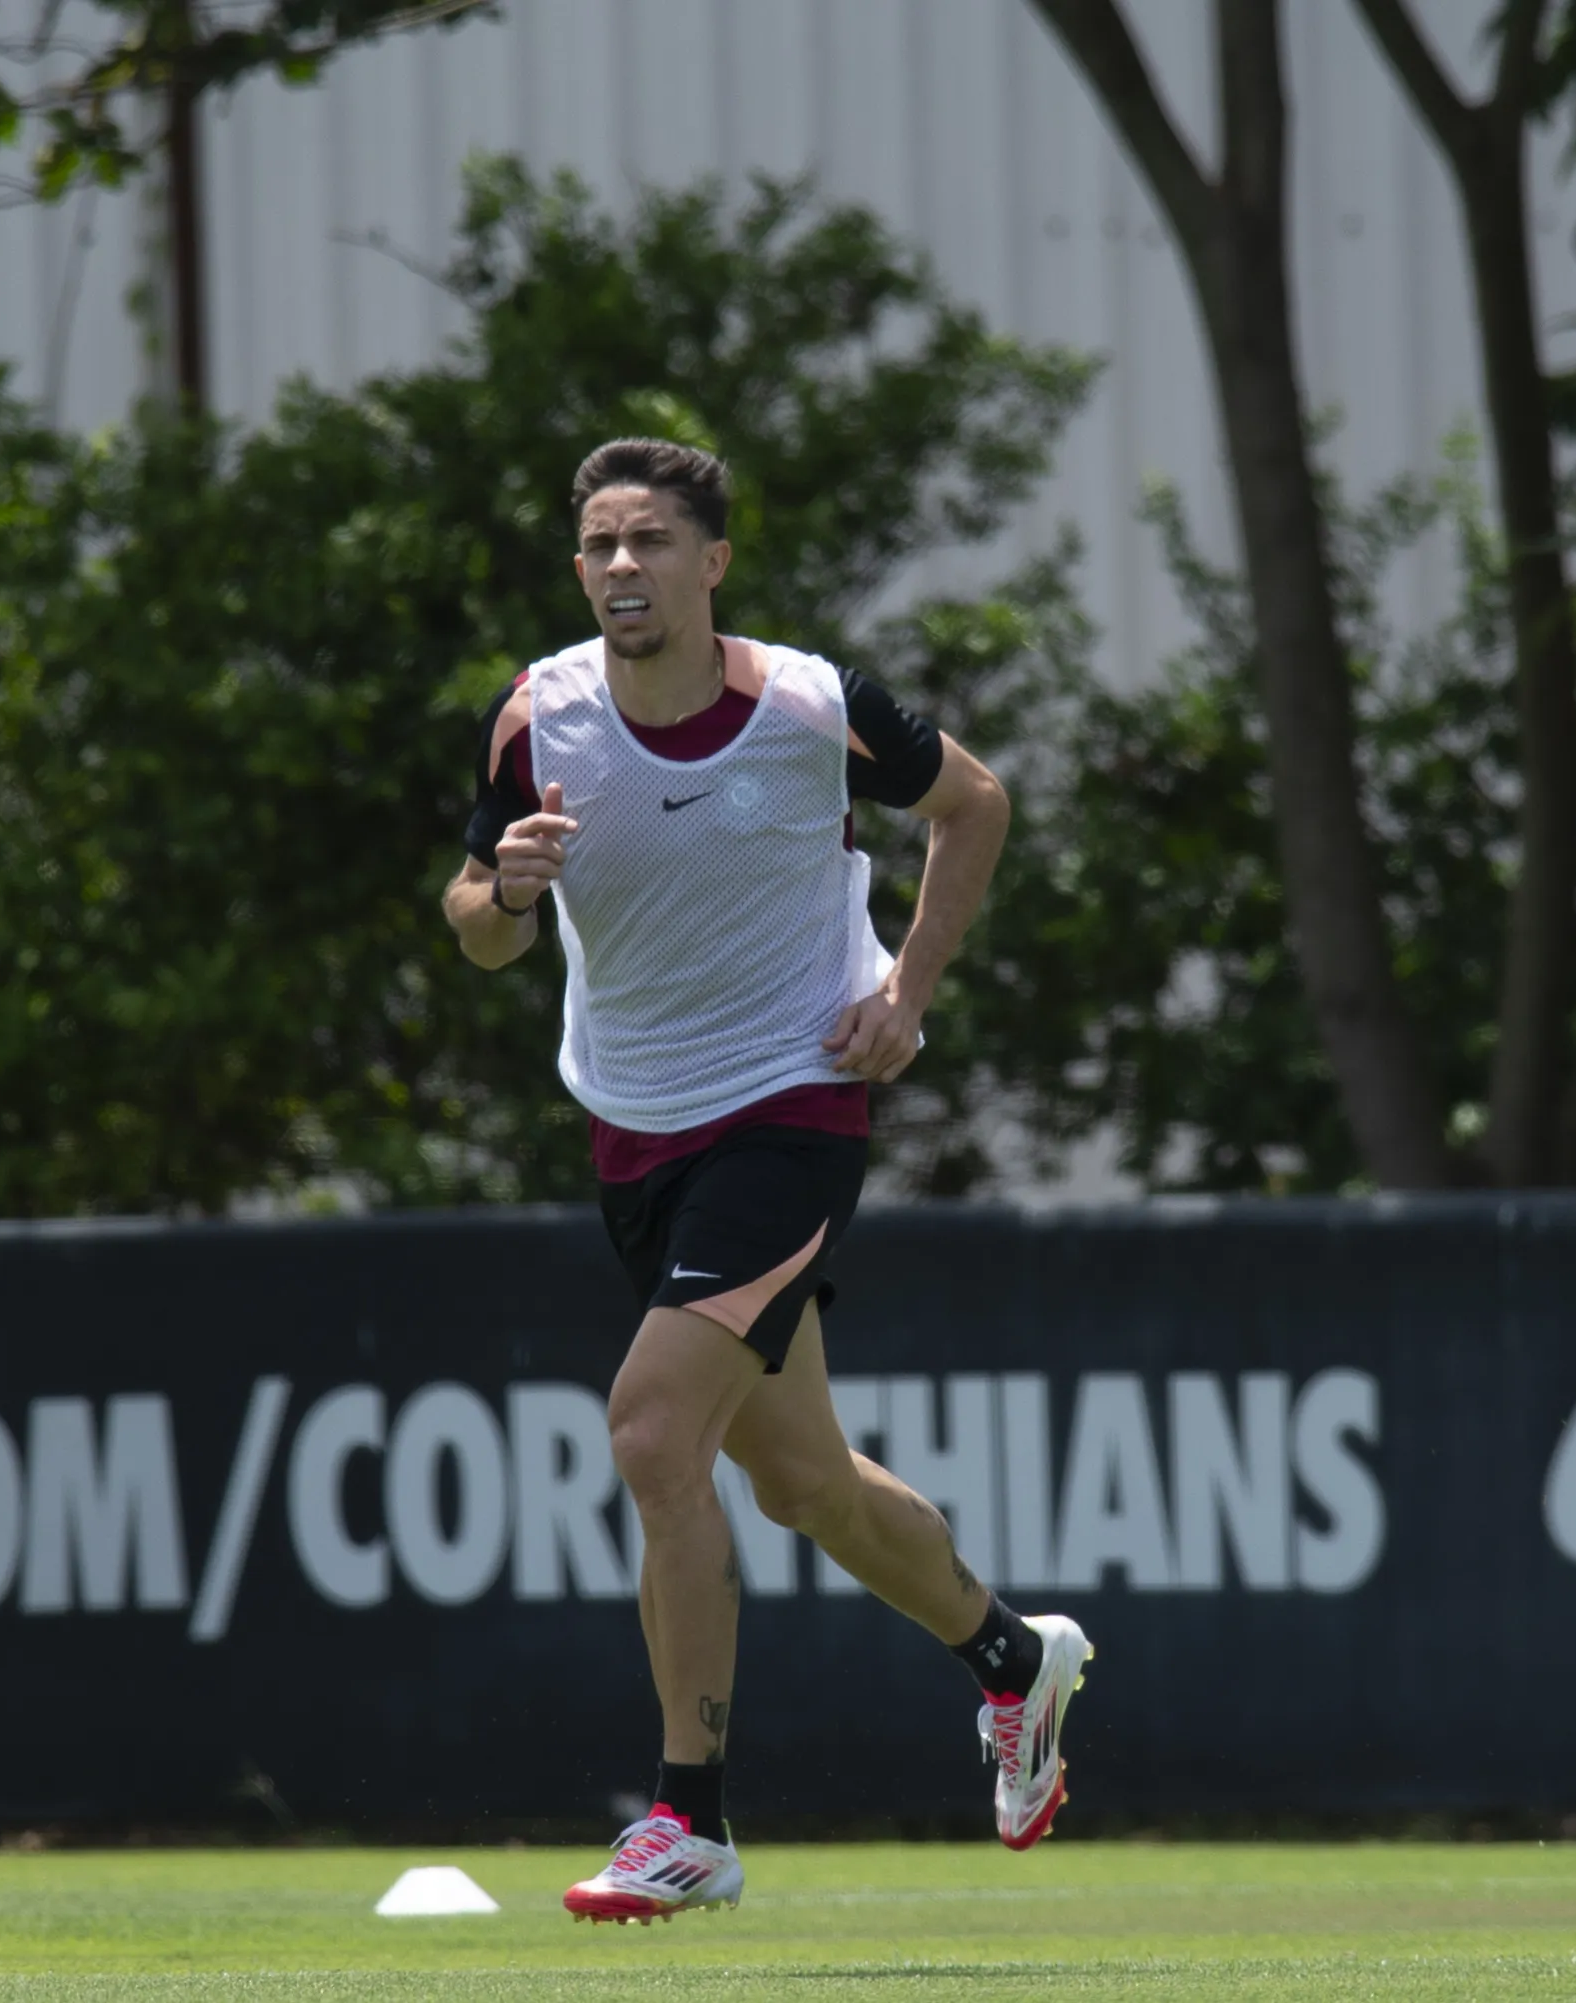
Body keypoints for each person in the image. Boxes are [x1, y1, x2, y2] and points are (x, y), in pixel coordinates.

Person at [442, 440, 1092, 1922]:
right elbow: (474, 919)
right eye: (598, 543)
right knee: (797, 1479)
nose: (621, 566)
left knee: (651, 1428)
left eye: (651, 540)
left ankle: (690, 1818)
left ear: (710, 560)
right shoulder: (537, 716)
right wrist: (504, 895)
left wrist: (906, 993)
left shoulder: (806, 703)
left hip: (793, 1107)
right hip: (634, 1128)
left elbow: (973, 802)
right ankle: (1012, 1657)